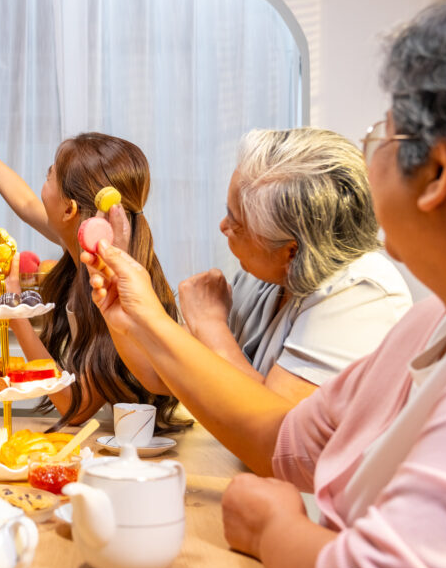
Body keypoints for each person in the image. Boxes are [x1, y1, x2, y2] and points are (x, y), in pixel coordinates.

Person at [82, 0, 446, 568]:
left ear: (439, 175)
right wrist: (136, 315)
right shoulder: (428, 325)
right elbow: (283, 439)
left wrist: (271, 528)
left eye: (382, 138)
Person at [0, 93, 188, 430]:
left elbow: (76, 406)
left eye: (48, 176)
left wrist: (11, 309)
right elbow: (25, 201)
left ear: (69, 209)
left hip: (136, 445)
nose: (41, 188)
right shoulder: (85, 243)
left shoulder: (108, 283)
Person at [172, 128, 411, 403]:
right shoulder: (264, 276)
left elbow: (278, 431)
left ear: (291, 252)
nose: (223, 226)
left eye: (235, 220)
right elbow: (164, 375)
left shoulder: (361, 294)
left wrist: (210, 325)